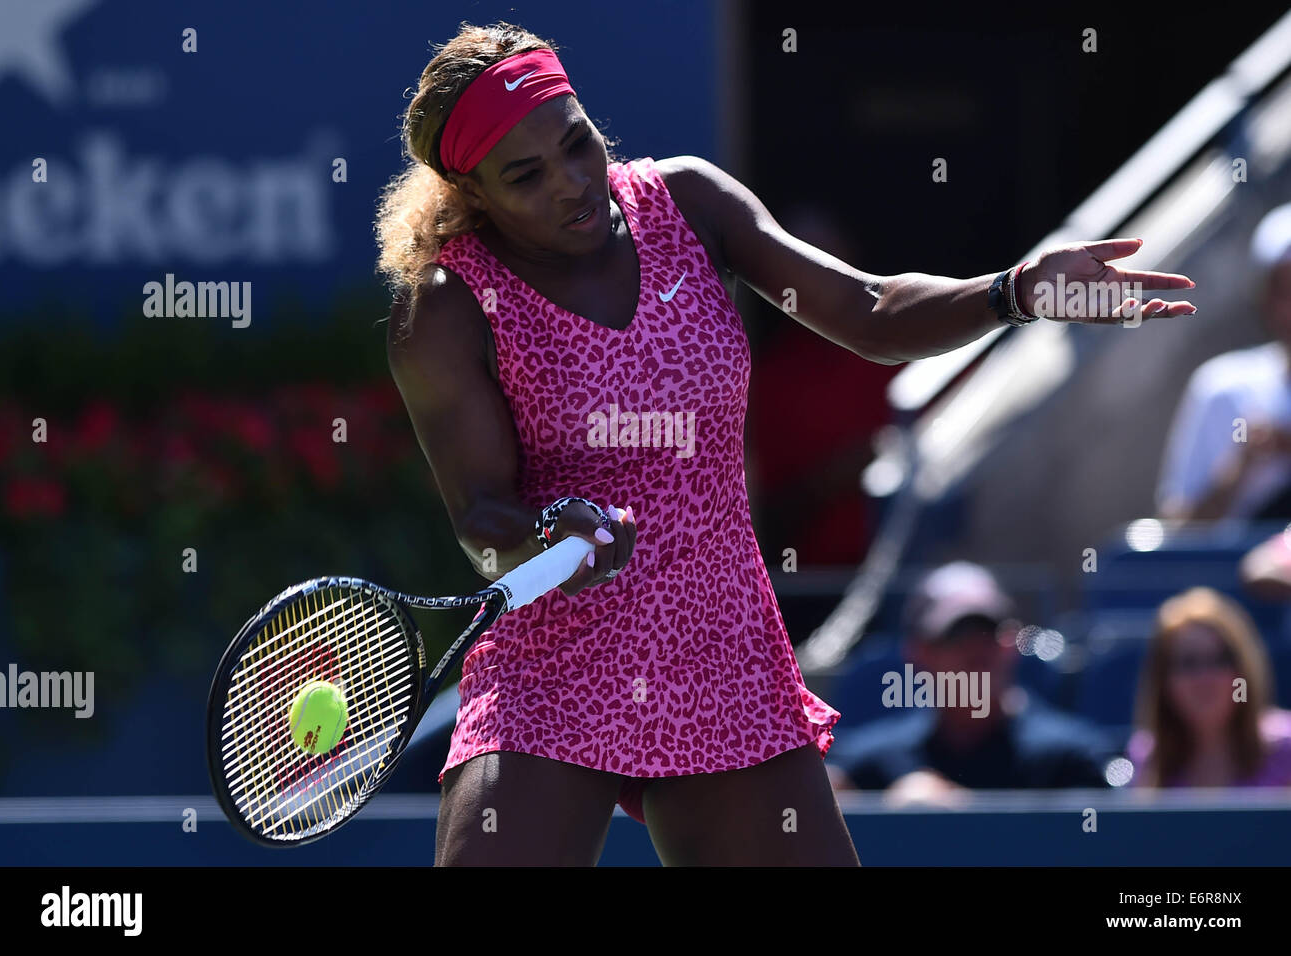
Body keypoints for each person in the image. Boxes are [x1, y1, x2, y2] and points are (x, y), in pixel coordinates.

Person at [373, 21, 1195, 865]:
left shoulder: (686, 202)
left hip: (718, 647)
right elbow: (482, 517)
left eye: (576, 143)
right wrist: (547, 538)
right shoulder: (442, 307)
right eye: (527, 176)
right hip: (552, 668)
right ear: (470, 191)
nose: (574, 182)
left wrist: (1015, 291)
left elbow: (868, 312)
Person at [827, 563, 1117, 804]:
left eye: (988, 634)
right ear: (919, 653)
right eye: (956, 635)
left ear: (1010, 645)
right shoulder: (868, 769)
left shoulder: (1072, 761)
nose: (976, 651)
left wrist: (960, 809)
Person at [1157, 202, 1291, 523]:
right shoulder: (1220, 387)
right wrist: (1240, 467)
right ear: (1265, 298)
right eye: (1287, 289)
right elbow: (1179, 530)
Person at [1127, 587, 1291, 788]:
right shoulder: (1147, 757)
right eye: (1188, 663)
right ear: (1164, 680)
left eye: (1220, 660)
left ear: (1243, 673)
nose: (1205, 677)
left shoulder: (1286, 749)